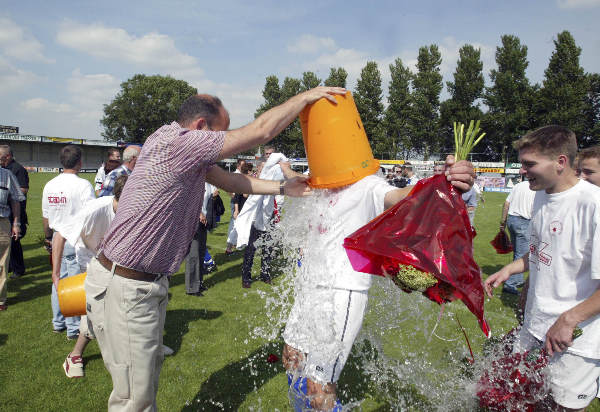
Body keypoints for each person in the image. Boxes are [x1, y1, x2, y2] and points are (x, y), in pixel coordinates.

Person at [84, 86, 346, 411]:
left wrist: (284, 188)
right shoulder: (180, 143)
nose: (222, 145)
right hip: (126, 285)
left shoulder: (172, 145)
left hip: (139, 284)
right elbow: (261, 131)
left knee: (143, 382)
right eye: (220, 135)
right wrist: (306, 97)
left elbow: (232, 182)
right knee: (132, 401)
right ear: (199, 128)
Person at [281, 156, 475, 411]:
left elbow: (402, 195)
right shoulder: (319, 183)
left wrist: (445, 179)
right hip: (310, 286)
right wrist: (283, 166)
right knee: (291, 359)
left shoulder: (367, 184)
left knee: (318, 388)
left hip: (342, 290)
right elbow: (290, 176)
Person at [484, 125, 600, 411]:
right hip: (535, 325)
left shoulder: (593, 204)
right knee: (525, 401)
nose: (522, 171)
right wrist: (513, 271)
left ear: (561, 162)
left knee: (561, 407)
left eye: (529, 164)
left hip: (574, 338)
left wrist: (570, 319)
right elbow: (544, 252)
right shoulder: (541, 194)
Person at [52, 175, 128, 378]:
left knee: (115, 307)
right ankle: (74, 355)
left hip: (110, 261)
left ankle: (138, 347)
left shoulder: (129, 209)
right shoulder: (94, 210)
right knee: (96, 309)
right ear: (121, 197)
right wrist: (56, 273)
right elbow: (60, 235)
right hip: (88, 259)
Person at [43, 145, 95, 338]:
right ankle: (73, 328)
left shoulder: (50, 185)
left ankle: (58, 322)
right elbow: (90, 215)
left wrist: (48, 237)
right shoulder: (82, 186)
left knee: (57, 280)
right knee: (73, 284)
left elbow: (46, 217)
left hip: (57, 237)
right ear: (80, 162)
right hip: (74, 238)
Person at [236, 153, 287, 288]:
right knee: (251, 249)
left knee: (268, 249)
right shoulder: (255, 182)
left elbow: (280, 196)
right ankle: (246, 277)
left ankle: (265, 274)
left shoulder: (275, 182)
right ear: (259, 169)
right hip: (255, 219)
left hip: (269, 218)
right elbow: (247, 196)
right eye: (264, 169)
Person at [499, 177, 536, 294]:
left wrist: (503, 221)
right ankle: (510, 284)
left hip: (512, 220)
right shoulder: (536, 189)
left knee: (517, 251)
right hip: (524, 221)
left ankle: (518, 279)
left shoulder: (518, 186)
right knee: (522, 255)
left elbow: (506, 203)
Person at [0, 145, 29, 279]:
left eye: (2, 158)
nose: (1, 161)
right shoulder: (6, 169)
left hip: (15, 213)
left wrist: (10, 191)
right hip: (8, 211)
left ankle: (18, 269)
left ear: (8, 157)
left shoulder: (18, 170)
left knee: (14, 243)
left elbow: (23, 190)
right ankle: (10, 267)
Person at [0, 167, 24, 311]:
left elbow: (16, 200)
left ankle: (0, 300)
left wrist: (16, 223)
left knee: (2, 263)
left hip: (2, 222)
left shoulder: (7, 175)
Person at [225, 159, 246, 255]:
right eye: (243, 165)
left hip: (241, 201)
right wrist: (233, 195)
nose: (244, 167)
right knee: (234, 223)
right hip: (236, 202)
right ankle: (229, 247)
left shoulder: (242, 175)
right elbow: (227, 188)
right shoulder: (235, 175)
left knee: (240, 223)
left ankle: (234, 244)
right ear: (238, 166)